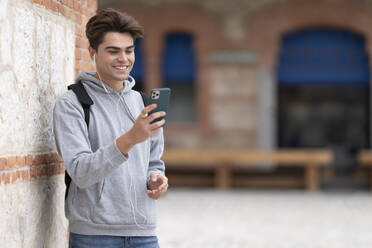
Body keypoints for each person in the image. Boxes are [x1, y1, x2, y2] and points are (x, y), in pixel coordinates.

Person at [53, 8, 168, 248]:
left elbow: (153, 162)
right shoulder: (73, 103)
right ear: (93, 53)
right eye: (113, 51)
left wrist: (155, 179)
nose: (124, 59)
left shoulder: (145, 104)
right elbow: (81, 172)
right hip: (93, 236)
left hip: (144, 233)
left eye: (129, 50)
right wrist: (130, 138)